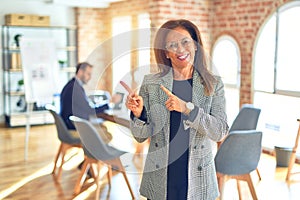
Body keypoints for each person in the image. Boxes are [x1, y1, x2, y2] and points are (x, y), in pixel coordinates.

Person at [121, 19, 229, 200]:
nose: (180, 49)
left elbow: (220, 131)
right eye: (172, 45)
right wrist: (139, 114)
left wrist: (187, 109)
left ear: (195, 46)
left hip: (198, 179)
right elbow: (141, 136)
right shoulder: (152, 83)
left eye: (185, 42)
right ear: (166, 53)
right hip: (160, 177)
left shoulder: (213, 83)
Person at [60, 62, 109, 130]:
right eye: (88, 74)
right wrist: (107, 105)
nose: (90, 77)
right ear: (80, 72)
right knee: (104, 131)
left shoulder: (72, 85)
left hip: (70, 124)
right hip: (73, 126)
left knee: (100, 125)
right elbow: (90, 110)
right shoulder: (75, 88)